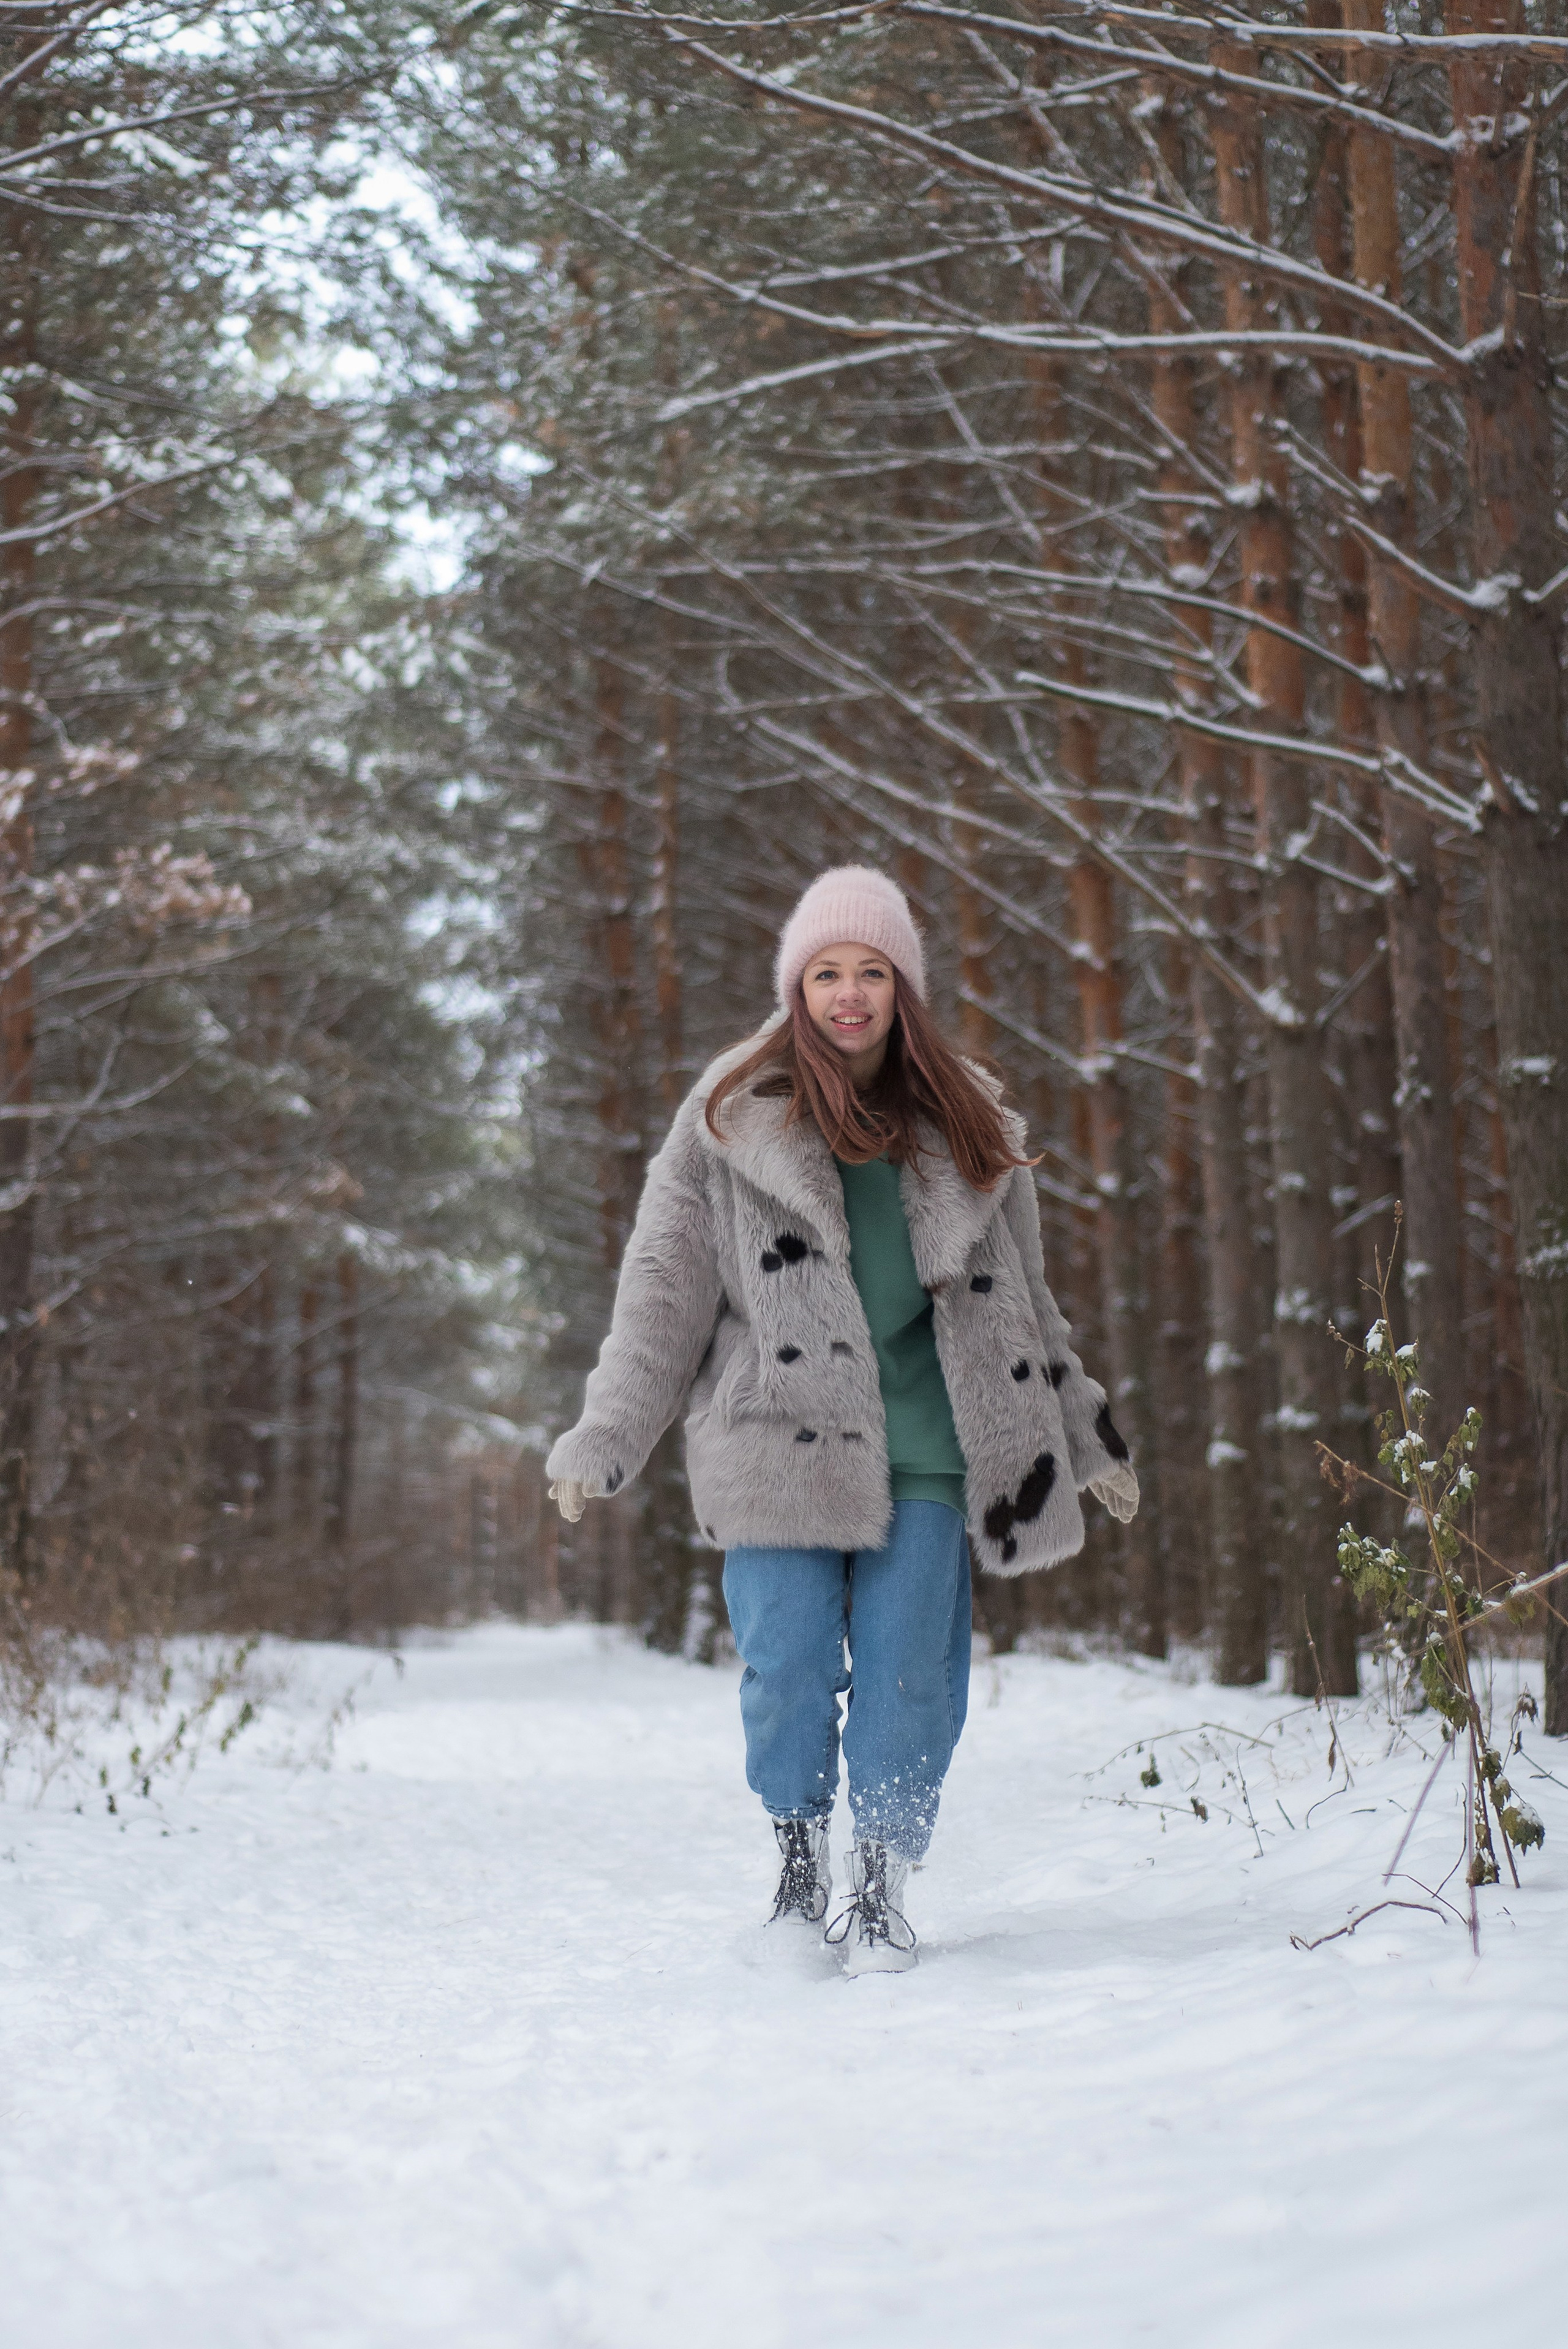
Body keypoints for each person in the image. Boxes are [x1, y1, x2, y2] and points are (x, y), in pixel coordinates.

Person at [546, 866, 1137, 1975]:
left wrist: (1086, 1435)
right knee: (788, 1664)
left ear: (902, 987)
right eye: (828, 973)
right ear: (798, 987)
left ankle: (881, 1881)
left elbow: (1029, 1307)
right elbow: (662, 1295)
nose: (849, 993)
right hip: (775, 1442)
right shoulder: (728, 1116)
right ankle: (798, 1853)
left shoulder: (969, 1124)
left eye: (871, 972)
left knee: (916, 1673)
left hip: (929, 1448)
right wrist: (605, 1436)